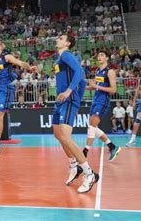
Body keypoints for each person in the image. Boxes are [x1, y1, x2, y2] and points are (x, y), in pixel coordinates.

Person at [52, 35, 99, 194]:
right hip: (60, 101)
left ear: (68, 43)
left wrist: (71, 93)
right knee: (58, 135)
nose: (57, 39)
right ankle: (74, 166)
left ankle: (89, 173)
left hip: (68, 99)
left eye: (61, 38)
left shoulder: (66, 55)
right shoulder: (59, 59)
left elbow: (80, 73)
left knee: (65, 136)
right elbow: (84, 83)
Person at [0, 40, 35, 159]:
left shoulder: (7, 56)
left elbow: (20, 63)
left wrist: (30, 67)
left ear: (0, 46)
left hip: (7, 88)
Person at [83, 49, 121, 162]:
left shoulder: (110, 72)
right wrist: (81, 88)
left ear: (107, 58)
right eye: (98, 55)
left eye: (102, 55)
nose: (99, 57)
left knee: (91, 126)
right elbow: (94, 86)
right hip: (95, 100)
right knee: (92, 126)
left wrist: (97, 86)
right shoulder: (98, 71)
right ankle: (112, 146)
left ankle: (85, 151)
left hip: (103, 101)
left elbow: (113, 90)